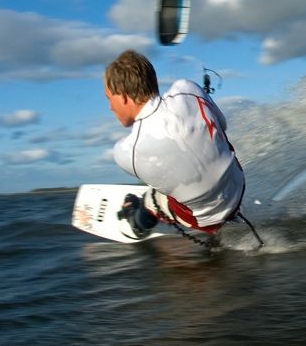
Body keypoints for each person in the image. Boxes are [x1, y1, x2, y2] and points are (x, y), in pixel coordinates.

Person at [104, 49, 246, 240]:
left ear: (122, 97)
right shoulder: (187, 90)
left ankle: (138, 223)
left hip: (206, 220)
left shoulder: (125, 152)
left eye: (109, 98)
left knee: (152, 199)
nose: (110, 107)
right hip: (238, 185)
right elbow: (222, 125)